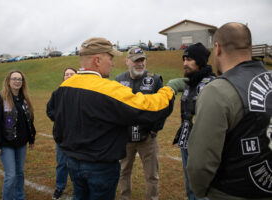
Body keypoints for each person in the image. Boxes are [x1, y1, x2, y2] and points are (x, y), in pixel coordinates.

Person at [51, 37, 182, 200]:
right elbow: (147, 107)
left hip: (73, 163)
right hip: (100, 165)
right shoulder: (108, 89)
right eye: (110, 58)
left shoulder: (64, 87)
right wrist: (169, 89)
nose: (113, 63)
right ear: (97, 60)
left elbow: (52, 112)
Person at [187, 22, 272, 200]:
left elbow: (201, 162)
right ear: (249, 46)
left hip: (231, 191)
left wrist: (200, 191)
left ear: (217, 48)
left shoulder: (218, 90)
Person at [167, 42, 216, 200]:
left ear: (200, 61)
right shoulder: (190, 82)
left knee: (203, 190)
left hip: (202, 146)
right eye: (184, 59)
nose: (184, 63)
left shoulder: (212, 85)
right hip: (186, 141)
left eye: (189, 59)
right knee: (190, 188)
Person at [115, 46, 164, 200]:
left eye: (142, 60)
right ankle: (125, 197)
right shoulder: (118, 80)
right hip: (125, 137)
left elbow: (164, 105)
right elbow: (113, 107)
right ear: (127, 61)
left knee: (152, 175)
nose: (140, 64)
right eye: (136, 61)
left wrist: (155, 128)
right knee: (123, 171)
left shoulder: (155, 79)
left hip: (148, 137)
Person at [0, 70, 36, 200]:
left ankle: (20, 197)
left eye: (19, 79)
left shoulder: (24, 99)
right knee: (11, 175)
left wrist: (31, 138)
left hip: (21, 144)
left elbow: (29, 120)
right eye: (14, 79)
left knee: (20, 173)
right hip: (6, 144)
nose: (17, 81)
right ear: (8, 81)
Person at [46, 67, 77, 200]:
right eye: (66, 74)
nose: (69, 76)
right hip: (62, 136)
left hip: (78, 137)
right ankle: (60, 187)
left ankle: (78, 188)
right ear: (63, 77)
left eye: (72, 74)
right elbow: (49, 110)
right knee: (61, 163)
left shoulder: (81, 93)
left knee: (77, 164)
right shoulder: (57, 93)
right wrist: (59, 117)